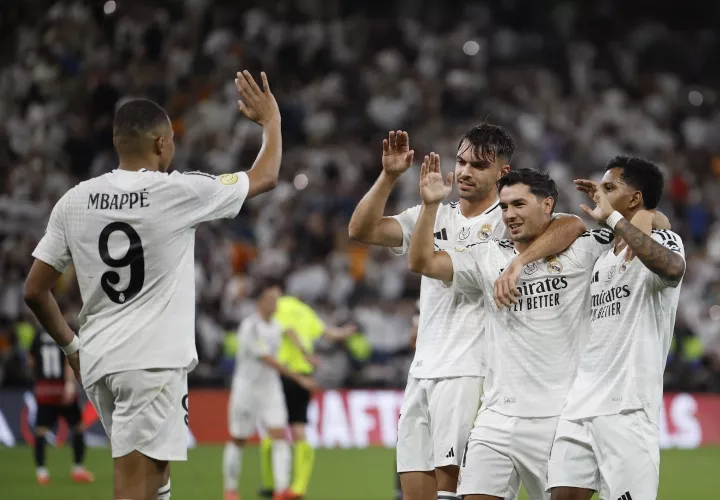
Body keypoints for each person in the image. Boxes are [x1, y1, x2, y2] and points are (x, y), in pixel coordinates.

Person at [22, 70, 282, 500]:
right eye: (172, 141)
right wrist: (271, 122)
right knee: (133, 487)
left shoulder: (75, 199)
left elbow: (34, 289)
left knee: (156, 478)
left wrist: (71, 348)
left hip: (101, 361)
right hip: (150, 364)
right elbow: (265, 176)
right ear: (162, 143)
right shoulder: (177, 192)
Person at [348, 126, 585, 500]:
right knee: (415, 492)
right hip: (424, 369)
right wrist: (390, 175)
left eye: (478, 165)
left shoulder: (510, 218)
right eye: (460, 161)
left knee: (456, 492)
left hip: (471, 371)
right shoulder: (436, 213)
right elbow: (362, 229)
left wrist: (520, 261)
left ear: (502, 174)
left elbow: (571, 224)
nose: (464, 172)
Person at [407, 160, 616, 500]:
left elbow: (574, 223)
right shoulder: (486, 257)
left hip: (559, 419)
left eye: (519, 204)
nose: (509, 215)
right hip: (496, 419)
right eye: (504, 206)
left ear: (547, 204)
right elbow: (422, 263)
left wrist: (520, 263)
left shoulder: (583, 249)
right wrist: (430, 206)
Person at [548, 156, 686, 500]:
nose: (600, 195)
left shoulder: (666, 240)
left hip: (628, 407)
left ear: (635, 198)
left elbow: (672, 269)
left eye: (609, 188)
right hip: (580, 405)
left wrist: (614, 217)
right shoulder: (603, 257)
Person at [223, 281, 318, 500]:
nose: (277, 303)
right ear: (261, 302)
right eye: (272, 299)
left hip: (270, 388)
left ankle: (281, 490)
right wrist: (299, 379)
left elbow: (289, 331)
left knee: (279, 435)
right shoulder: (251, 326)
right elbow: (268, 359)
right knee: (239, 438)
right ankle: (230, 489)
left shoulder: (275, 324)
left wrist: (304, 352)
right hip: (247, 388)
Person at [258, 294, 355, 500]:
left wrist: (303, 351)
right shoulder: (307, 312)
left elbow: (288, 330)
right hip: (304, 376)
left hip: (282, 374)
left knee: (273, 430)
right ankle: (298, 488)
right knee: (299, 429)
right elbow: (329, 334)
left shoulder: (281, 306)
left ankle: (270, 484)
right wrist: (346, 332)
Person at [28, 330, 94, 485]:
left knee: (40, 431)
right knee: (78, 427)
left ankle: (41, 472)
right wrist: (70, 384)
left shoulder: (37, 336)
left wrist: (38, 376)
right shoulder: (62, 331)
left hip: (44, 390)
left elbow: (30, 360)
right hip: (63, 390)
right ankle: (78, 470)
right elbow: (68, 358)